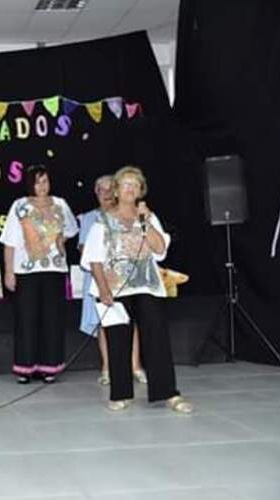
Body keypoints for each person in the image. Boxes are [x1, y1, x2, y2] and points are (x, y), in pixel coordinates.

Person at [81, 166, 193, 413]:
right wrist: (103, 289)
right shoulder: (102, 221)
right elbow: (94, 258)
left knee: (157, 338)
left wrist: (145, 221)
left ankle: (168, 393)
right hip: (115, 288)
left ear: (141, 190)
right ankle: (120, 393)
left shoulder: (149, 217)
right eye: (125, 184)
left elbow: (160, 248)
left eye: (135, 185)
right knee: (118, 339)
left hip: (146, 286)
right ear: (117, 191)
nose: (130, 189)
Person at [0, 165, 78, 384]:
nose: (41, 186)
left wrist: (61, 239)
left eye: (45, 181)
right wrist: (8, 271)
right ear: (29, 184)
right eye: (37, 182)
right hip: (26, 270)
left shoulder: (60, 204)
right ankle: (25, 367)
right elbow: (9, 241)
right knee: (26, 318)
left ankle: (49, 367)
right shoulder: (20, 205)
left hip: (54, 268)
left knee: (52, 318)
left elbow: (71, 228)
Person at [78, 175, 146, 386]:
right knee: (104, 324)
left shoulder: (128, 215)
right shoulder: (90, 218)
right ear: (96, 194)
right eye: (101, 190)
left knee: (130, 321)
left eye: (110, 189)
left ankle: (135, 366)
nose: (106, 194)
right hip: (100, 278)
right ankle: (107, 368)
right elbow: (84, 251)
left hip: (126, 277)